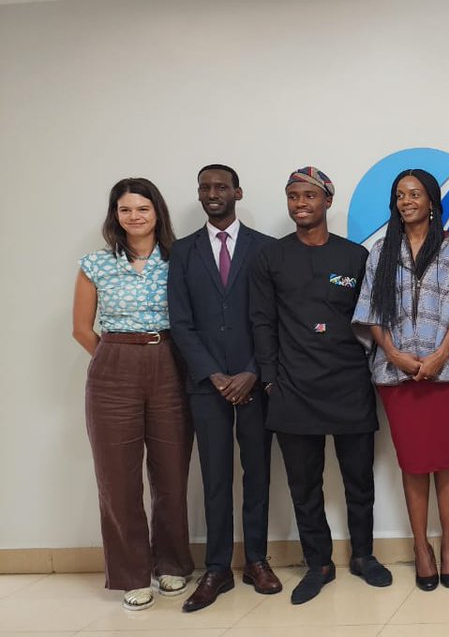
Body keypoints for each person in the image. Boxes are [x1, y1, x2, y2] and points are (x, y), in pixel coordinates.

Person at [250, 166, 393, 605]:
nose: (300, 204)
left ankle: (364, 557)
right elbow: (261, 321)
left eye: (309, 196)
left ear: (327, 201)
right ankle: (319, 564)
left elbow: (372, 320)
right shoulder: (271, 257)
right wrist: (271, 380)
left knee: (358, 480)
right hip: (292, 387)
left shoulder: (355, 257)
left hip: (349, 382)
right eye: (293, 197)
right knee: (304, 485)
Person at [71, 178, 193, 611]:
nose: (135, 216)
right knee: (117, 480)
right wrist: (115, 356)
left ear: (157, 213)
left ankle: (172, 564)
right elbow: (83, 330)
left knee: (172, 474)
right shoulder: (96, 264)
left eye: (143, 208)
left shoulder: (180, 260)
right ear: (115, 215)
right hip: (113, 369)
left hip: (170, 364)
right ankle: (131, 574)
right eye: (126, 209)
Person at [168, 164, 281, 612]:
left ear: (237, 191)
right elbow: (180, 321)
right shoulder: (182, 251)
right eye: (204, 188)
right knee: (214, 478)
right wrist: (213, 375)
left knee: (257, 474)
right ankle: (217, 568)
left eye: (220, 186)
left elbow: (273, 318)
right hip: (206, 385)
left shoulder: (266, 249)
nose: (212, 193)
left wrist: (252, 370)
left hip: (254, 381)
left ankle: (256, 560)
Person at [354, 168, 449, 592]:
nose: (407, 201)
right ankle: (421, 547)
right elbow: (370, 312)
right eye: (400, 195)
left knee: (445, 461)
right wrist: (394, 355)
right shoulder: (381, 250)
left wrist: (440, 355)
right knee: (413, 463)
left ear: (432, 201)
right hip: (396, 374)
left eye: (415, 194)